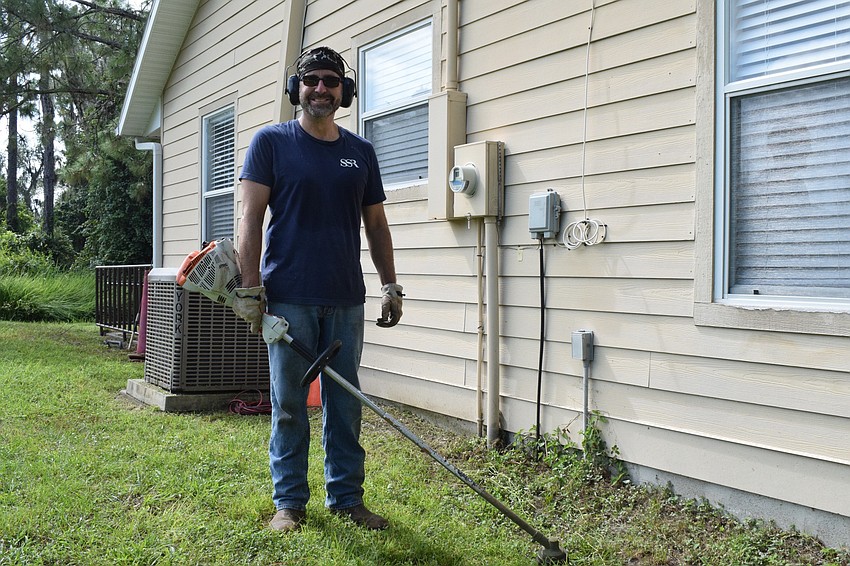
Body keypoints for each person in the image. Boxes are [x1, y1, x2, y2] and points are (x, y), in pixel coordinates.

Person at [232, 46, 403, 533]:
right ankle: (289, 503)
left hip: (347, 298)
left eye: (331, 81)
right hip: (289, 297)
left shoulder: (360, 153)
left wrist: (391, 285)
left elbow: (377, 226)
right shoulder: (271, 143)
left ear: (344, 92)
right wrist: (250, 289)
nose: (321, 89)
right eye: (311, 80)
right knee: (289, 405)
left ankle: (346, 500)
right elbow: (249, 218)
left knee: (344, 404)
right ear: (297, 89)